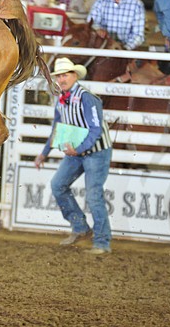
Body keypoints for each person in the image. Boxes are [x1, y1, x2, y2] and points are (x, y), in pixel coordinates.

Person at [34, 57, 113, 254]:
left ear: (74, 75)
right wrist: (44, 153)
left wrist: (78, 149)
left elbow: (96, 130)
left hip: (96, 152)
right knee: (58, 185)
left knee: (94, 195)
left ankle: (102, 242)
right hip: (76, 152)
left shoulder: (87, 97)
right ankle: (80, 227)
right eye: (59, 76)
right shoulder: (61, 98)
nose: (61, 79)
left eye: (65, 75)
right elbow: (57, 128)